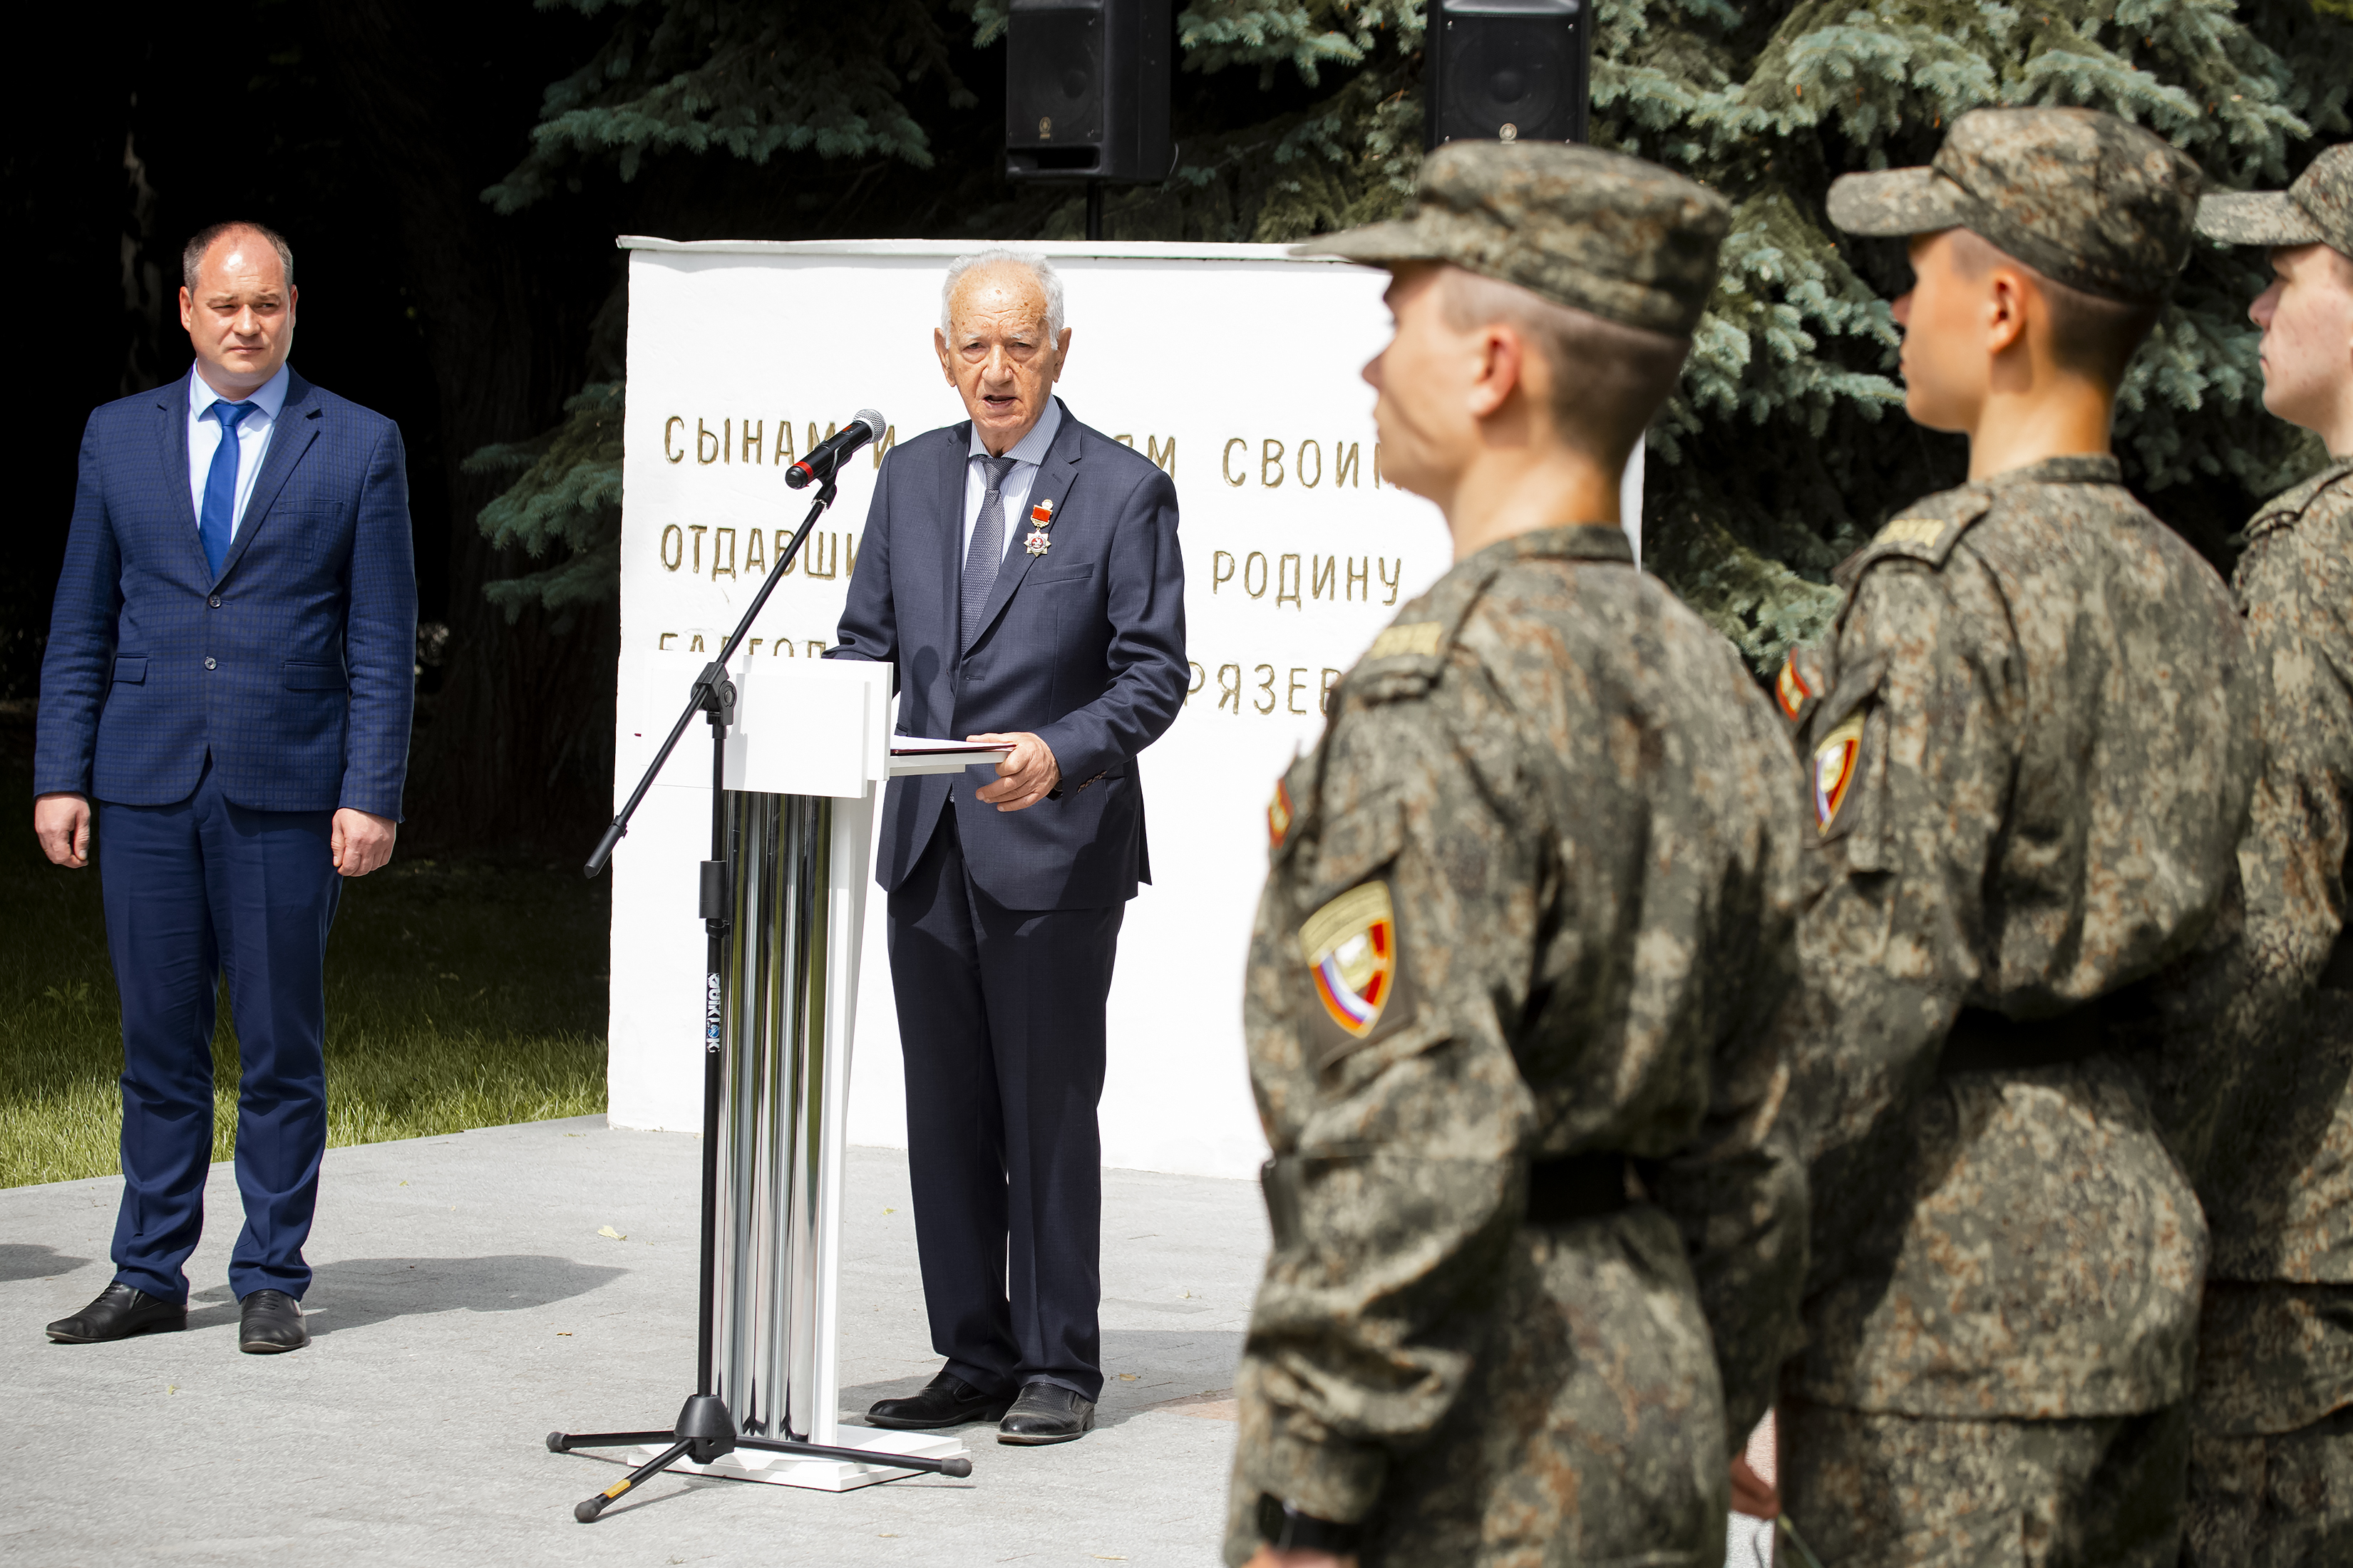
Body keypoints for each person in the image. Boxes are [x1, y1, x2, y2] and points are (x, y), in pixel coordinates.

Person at [1222, 141, 1812, 1568]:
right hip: (1649, 1404)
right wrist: (1696, 1387)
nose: (1370, 363)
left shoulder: (1442, 694)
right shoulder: (1709, 679)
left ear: (1492, 366)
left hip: (1466, 1453)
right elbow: (1760, 1136)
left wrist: (1309, 1494)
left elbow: (1412, 1134)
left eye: (1397, 317)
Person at [1768, 108, 2255, 1563]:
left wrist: (1742, 1310)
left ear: (1999, 306)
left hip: (1936, 1296)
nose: (1895, 305)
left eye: (1918, 267)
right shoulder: (2194, 591)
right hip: (2133, 1259)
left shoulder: (1938, 587)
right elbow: (2229, 973)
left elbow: (1863, 987)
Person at [34, 221, 416, 1355]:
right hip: (143, 782)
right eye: (226, 305)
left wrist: (372, 791)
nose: (247, 325)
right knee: (158, 1045)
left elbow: (381, 637)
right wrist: (60, 774)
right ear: (188, 309)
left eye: (267, 305)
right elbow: (81, 620)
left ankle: (271, 1277)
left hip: (288, 789)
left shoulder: (359, 443)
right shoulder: (117, 436)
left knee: (280, 1047)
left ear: (294, 307)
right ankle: (148, 1272)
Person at [829, 248, 1187, 1445]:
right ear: (943, 357)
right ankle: (973, 1354)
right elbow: (864, 646)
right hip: (927, 845)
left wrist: (1060, 749)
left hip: (1054, 849)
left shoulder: (1122, 490)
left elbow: (1153, 675)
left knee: (1044, 1115)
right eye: (974, 346)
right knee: (945, 1120)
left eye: (1019, 345)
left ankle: (1059, 1364)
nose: (997, 368)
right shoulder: (910, 477)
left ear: (1058, 353)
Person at [2173, 143, 2353, 1563]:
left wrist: (2148, 1166)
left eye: (2284, 274)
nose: (2254, 309)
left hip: (2309, 1260)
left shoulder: (2323, 556)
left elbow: (2279, 911)